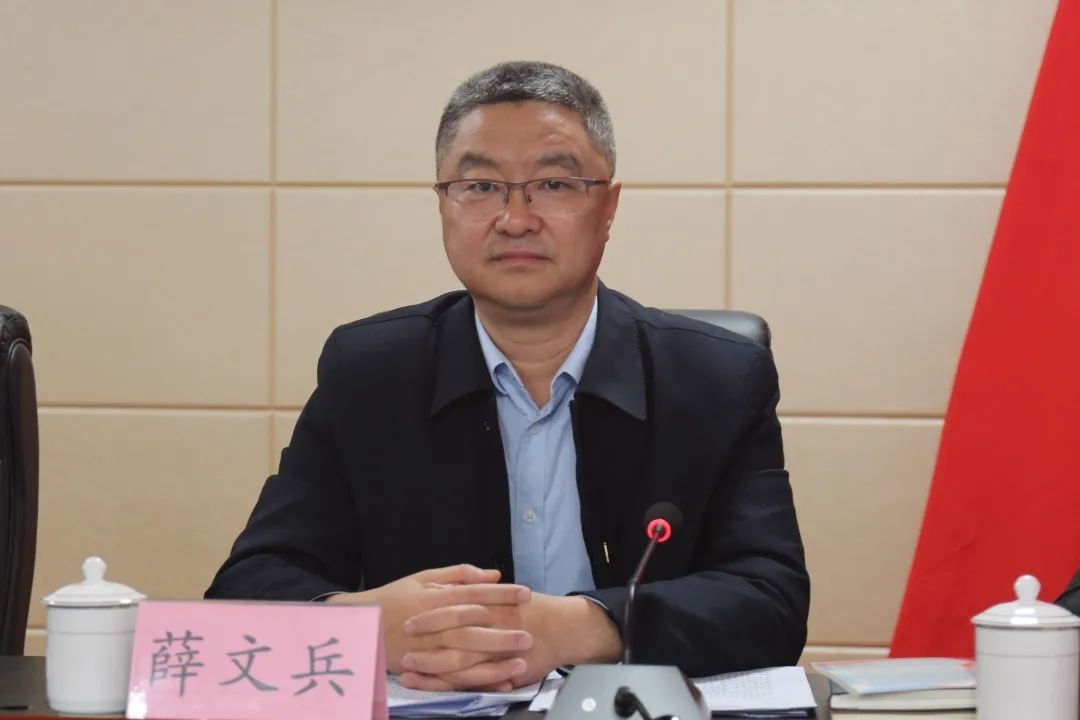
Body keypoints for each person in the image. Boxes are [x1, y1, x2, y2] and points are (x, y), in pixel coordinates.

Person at [206, 61, 809, 690]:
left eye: (553, 184)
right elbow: (247, 588)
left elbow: (770, 601)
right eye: (480, 186)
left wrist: (579, 628)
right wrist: (369, 627)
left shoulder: (717, 379)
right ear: (442, 205)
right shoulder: (369, 373)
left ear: (608, 206)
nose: (515, 219)